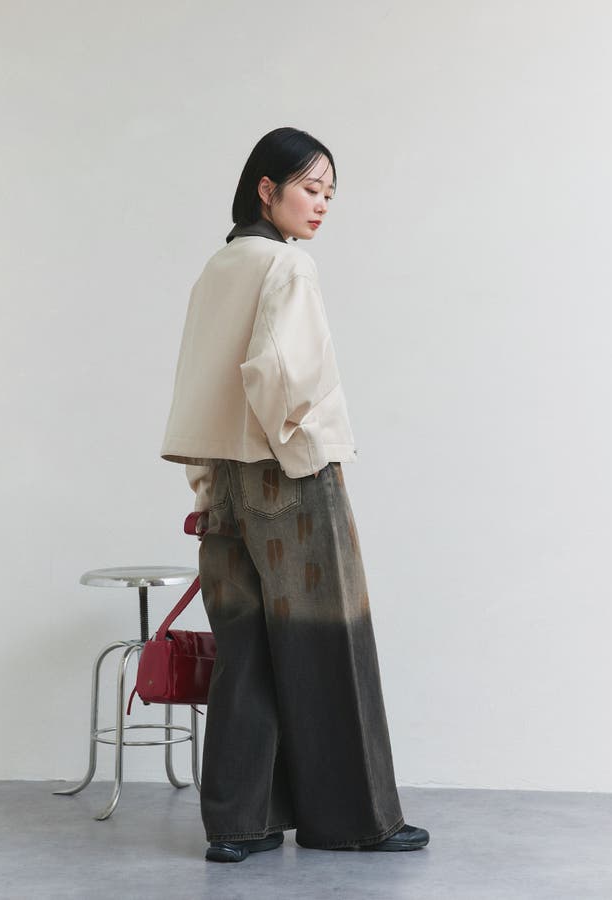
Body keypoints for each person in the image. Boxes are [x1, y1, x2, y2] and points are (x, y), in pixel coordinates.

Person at [159, 127, 429, 862]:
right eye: (310, 188)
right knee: (329, 642)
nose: (322, 205)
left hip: (223, 480)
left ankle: (239, 825)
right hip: (291, 475)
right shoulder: (288, 265)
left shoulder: (218, 267)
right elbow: (284, 375)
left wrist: (208, 484)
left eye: (330, 193)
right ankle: (356, 821)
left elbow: (199, 381)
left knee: (244, 650)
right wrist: (308, 453)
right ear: (266, 188)